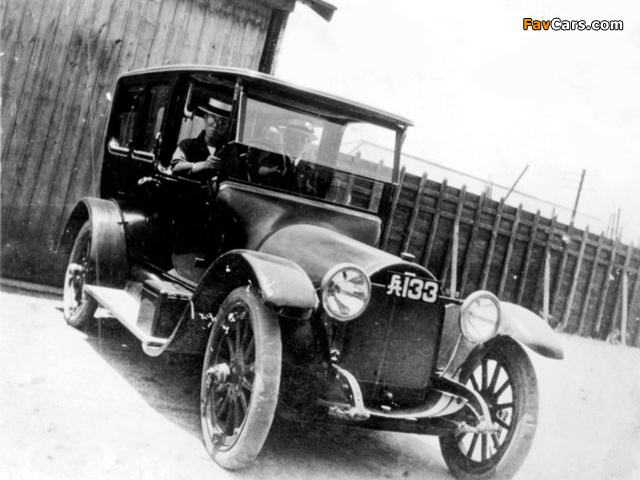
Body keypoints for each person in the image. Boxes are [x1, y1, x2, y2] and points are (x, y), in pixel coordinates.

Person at [171, 97, 232, 180]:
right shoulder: (187, 145)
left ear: (227, 125)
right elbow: (175, 168)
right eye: (212, 119)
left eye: (222, 122)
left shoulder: (231, 152)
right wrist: (200, 165)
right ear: (205, 117)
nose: (215, 125)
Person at [257, 119, 323, 194]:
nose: (298, 144)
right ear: (286, 139)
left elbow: (311, 196)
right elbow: (258, 175)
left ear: (308, 144)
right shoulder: (273, 158)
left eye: (303, 140)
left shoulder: (310, 172)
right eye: (294, 139)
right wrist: (268, 171)